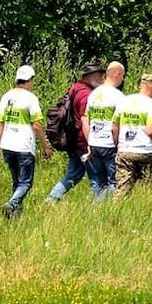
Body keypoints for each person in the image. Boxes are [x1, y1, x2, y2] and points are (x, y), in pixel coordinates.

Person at [0, 64, 50, 218]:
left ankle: (14, 217)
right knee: (26, 183)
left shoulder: (7, 96)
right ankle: (10, 205)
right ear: (29, 80)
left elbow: (0, 124)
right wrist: (46, 146)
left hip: (7, 146)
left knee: (16, 182)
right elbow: (37, 126)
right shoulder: (31, 98)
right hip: (24, 146)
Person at [46, 61, 103, 203]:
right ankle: (98, 210)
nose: (101, 79)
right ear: (91, 76)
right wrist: (91, 144)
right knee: (96, 177)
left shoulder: (75, 88)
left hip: (72, 140)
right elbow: (85, 119)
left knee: (73, 175)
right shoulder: (86, 95)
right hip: (83, 142)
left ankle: (51, 200)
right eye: (99, 76)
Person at [113, 73, 152, 194]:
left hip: (125, 151)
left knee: (122, 188)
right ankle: (150, 206)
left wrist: (118, 145)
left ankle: (115, 211)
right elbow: (150, 130)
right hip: (145, 152)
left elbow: (114, 128)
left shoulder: (124, 101)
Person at [84, 61, 125, 200]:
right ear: (117, 74)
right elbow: (115, 126)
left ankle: (96, 211)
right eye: (123, 75)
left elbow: (86, 119)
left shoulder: (94, 94)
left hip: (94, 143)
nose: (123, 79)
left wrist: (89, 142)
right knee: (114, 183)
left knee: (99, 182)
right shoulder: (118, 96)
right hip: (109, 144)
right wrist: (118, 145)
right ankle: (98, 209)